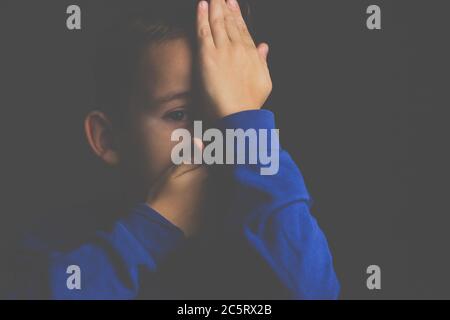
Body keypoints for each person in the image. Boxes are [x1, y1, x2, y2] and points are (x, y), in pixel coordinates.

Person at [6, 0, 340, 299]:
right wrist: (150, 230)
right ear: (108, 138)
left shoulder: (268, 231)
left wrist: (245, 119)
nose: (211, 140)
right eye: (179, 115)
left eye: (226, 116)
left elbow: (315, 291)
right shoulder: (61, 245)